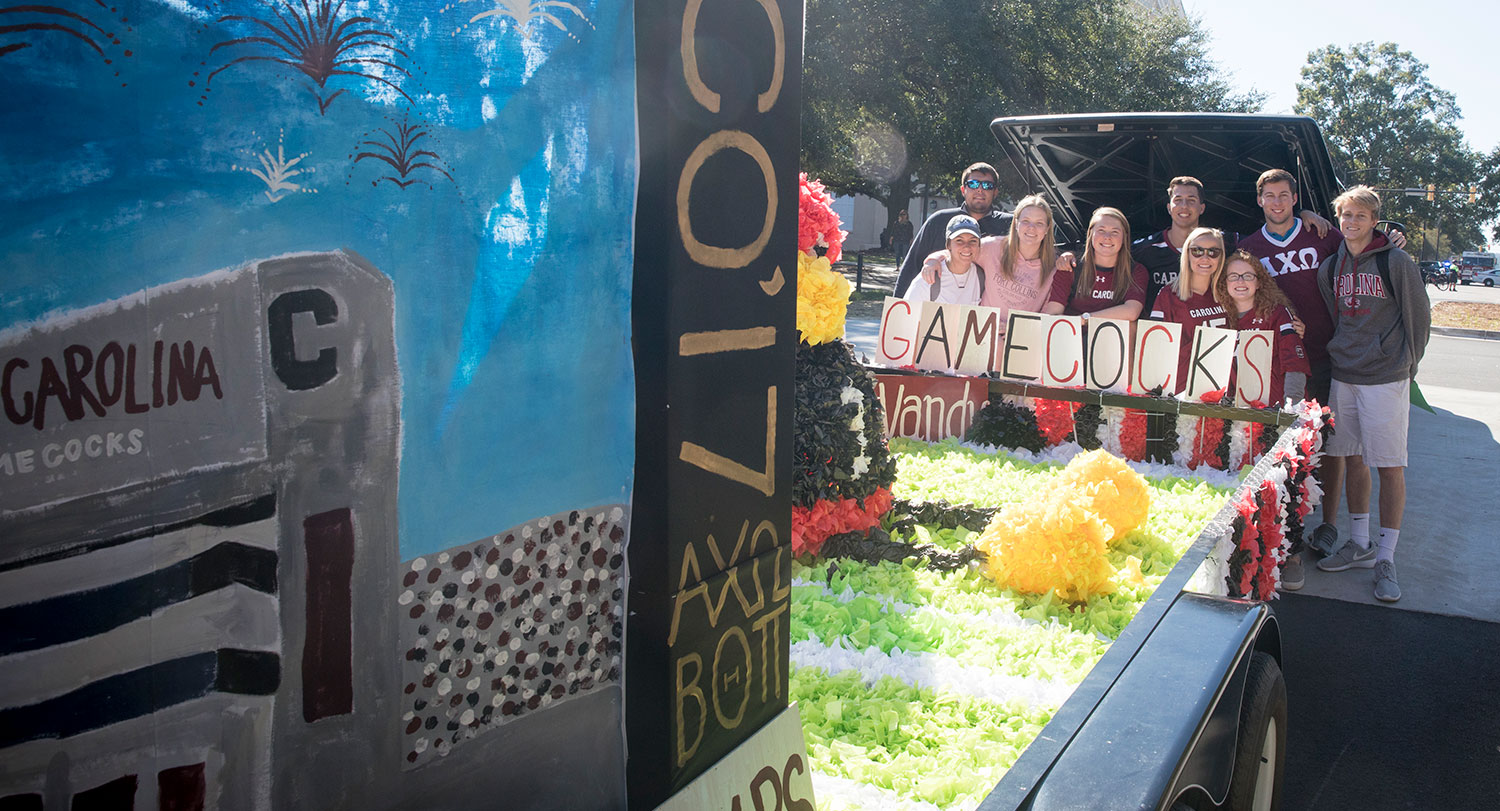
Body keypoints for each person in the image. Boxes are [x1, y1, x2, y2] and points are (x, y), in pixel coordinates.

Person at [1236, 168, 1405, 555]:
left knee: (1335, 446)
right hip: (1279, 360)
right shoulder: (1249, 247)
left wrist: (1390, 239)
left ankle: (1329, 523)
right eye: (1269, 196)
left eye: (1284, 195)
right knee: (1278, 441)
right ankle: (1277, 521)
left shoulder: (1322, 234)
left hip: (1331, 355)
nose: (1277, 202)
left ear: (1296, 199)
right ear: (1259, 200)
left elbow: (1360, 245)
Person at [1313, 186, 1430, 603]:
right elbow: (1335, 315)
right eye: (1346, 216)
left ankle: (1385, 557)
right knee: (1350, 458)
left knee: (1389, 465)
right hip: (1345, 374)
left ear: (1374, 221)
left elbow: (1419, 318)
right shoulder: (1330, 267)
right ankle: (1359, 543)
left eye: (1360, 216)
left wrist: (1405, 364)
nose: (1352, 223)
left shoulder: (1396, 262)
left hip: (1385, 377)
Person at [1132, 176, 1334, 308]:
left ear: (1202, 208)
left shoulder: (1225, 242)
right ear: (1169, 207)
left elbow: (1267, 238)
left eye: (1192, 200)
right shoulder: (1144, 249)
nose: (1184, 206)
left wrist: (1301, 214)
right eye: (1178, 200)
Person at [915, 195, 1060, 327]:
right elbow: (963, 250)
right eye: (1026, 221)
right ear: (1016, 223)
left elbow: (1046, 315)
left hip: (1020, 341)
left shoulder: (1053, 265)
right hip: (982, 333)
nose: (1031, 228)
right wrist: (933, 260)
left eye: (1039, 223)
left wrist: (1014, 329)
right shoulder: (994, 247)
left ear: (1047, 228)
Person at [893, 163, 1012, 296]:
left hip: (988, 311)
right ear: (963, 189)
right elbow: (910, 268)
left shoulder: (1010, 226)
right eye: (973, 184)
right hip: (938, 308)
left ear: (995, 192)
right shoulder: (938, 221)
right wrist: (896, 310)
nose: (980, 189)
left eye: (987, 185)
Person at [1215, 251, 1310, 407]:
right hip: (1237, 412)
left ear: (1259, 282)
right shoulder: (1219, 317)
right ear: (1224, 282)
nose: (1240, 281)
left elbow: (1294, 362)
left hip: (1274, 410)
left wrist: (1291, 406)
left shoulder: (1276, 313)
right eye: (1233, 276)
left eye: (1248, 276)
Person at [1146, 227, 1230, 394]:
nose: (1205, 257)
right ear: (1187, 254)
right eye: (1197, 251)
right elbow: (1155, 348)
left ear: (1221, 257)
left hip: (1222, 390)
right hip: (1180, 391)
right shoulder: (1168, 294)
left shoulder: (1228, 293)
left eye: (1213, 252)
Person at [1043, 207, 1148, 322]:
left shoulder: (1135, 271)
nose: (1107, 237)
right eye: (1101, 230)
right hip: (1072, 336)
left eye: (1115, 232)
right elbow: (1053, 314)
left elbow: (1132, 311)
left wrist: (1085, 319)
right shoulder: (1070, 266)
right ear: (1090, 234)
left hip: (1111, 337)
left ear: (1124, 238)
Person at [902, 215, 985, 305]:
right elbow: (906, 315)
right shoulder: (929, 277)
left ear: (979, 245)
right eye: (959, 240)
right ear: (948, 245)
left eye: (973, 241)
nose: (966, 247)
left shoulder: (980, 276)